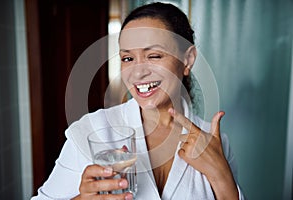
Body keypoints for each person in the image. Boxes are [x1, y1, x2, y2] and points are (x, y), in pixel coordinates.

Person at [32, 2, 245, 200]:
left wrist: (221, 176)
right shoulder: (92, 130)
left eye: (154, 56)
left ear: (187, 60)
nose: (138, 72)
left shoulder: (215, 143)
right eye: (128, 58)